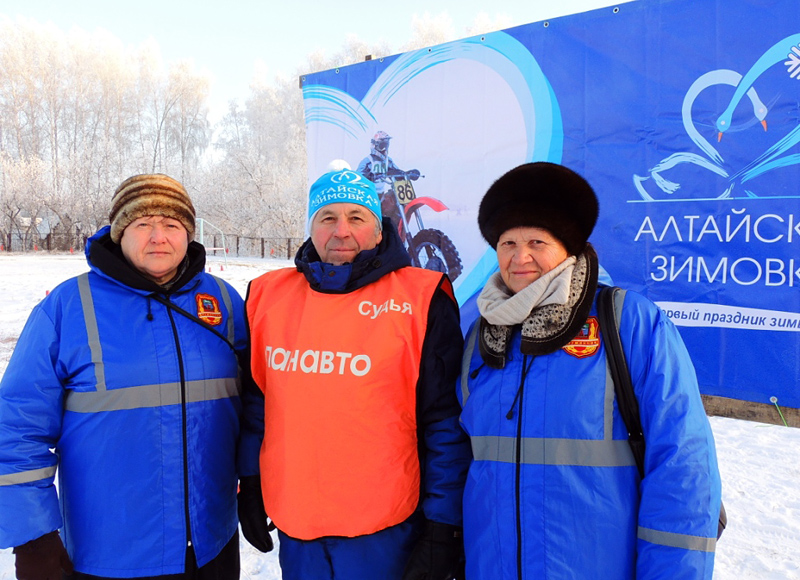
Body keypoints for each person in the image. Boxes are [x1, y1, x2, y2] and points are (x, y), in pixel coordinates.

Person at [458, 162, 722, 580]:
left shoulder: (628, 322)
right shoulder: (479, 337)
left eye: (536, 241)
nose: (519, 257)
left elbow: (683, 468)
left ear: (568, 247)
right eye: (507, 242)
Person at [0, 174, 259, 579]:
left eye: (172, 225)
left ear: (188, 234)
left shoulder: (222, 301)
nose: (158, 237)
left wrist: (254, 479)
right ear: (119, 233)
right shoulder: (69, 308)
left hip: (212, 545)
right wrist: (33, 537)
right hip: (109, 553)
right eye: (143, 224)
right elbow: (17, 427)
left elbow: (252, 404)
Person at [242, 168, 470, 580]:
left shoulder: (421, 297)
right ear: (311, 227)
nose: (341, 231)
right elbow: (259, 404)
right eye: (327, 217)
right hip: (299, 528)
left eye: (356, 217)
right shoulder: (268, 295)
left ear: (379, 231)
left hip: (387, 531)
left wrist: (444, 524)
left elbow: (444, 421)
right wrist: (251, 480)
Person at [357, 131, 420, 235]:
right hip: (369, 195)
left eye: (386, 145)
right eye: (382, 145)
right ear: (376, 145)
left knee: (392, 199)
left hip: (381, 195)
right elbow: (358, 176)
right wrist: (369, 176)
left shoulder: (387, 160)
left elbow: (396, 171)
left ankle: (394, 230)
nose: (385, 148)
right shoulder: (367, 161)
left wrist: (408, 174)